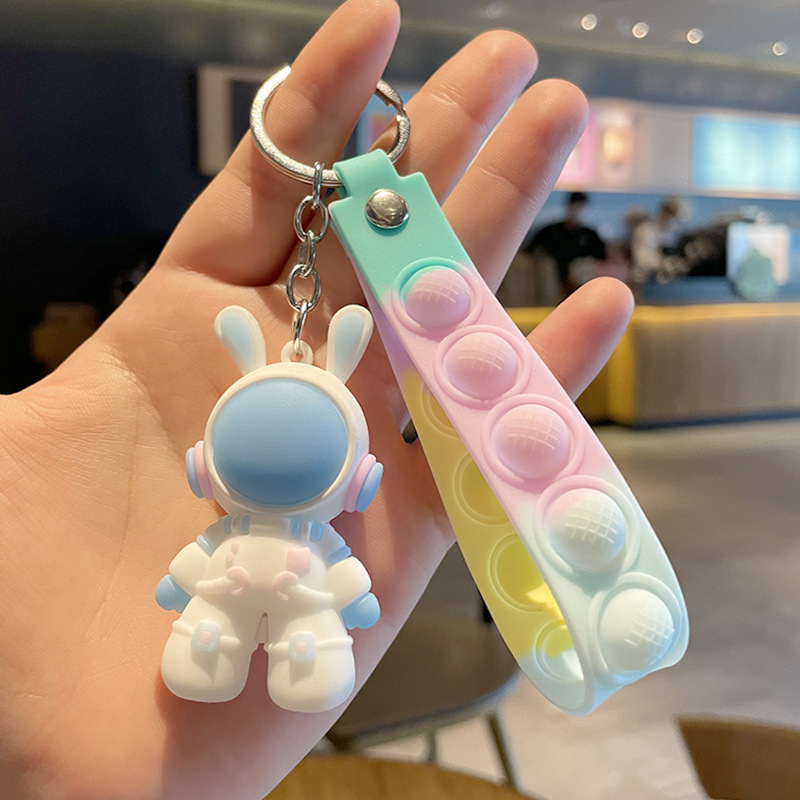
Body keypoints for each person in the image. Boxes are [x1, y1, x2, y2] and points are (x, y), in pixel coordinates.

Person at [0, 1, 634, 798]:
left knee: (300, 648)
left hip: (286, 602)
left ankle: (294, 656)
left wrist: (342, 599)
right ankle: (236, 653)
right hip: (235, 597)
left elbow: (326, 575)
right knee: (213, 638)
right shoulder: (268, 521)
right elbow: (254, 567)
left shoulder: (283, 524)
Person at [524, 191, 607, 297]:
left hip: (580, 276)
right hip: (552, 276)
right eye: (574, 205)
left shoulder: (589, 234)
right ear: (568, 205)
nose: (577, 210)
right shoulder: (550, 231)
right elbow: (530, 250)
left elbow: (602, 257)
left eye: (580, 206)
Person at [631, 195, 689, 283]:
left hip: (668, 280)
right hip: (646, 280)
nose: (670, 217)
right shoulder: (645, 229)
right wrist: (663, 263)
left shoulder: (673, 233)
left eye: (673, 214)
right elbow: (643, 257)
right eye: (668, 212)